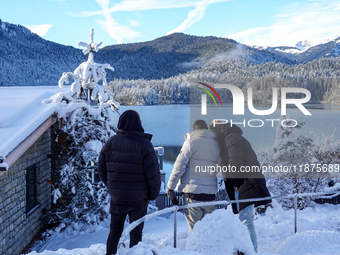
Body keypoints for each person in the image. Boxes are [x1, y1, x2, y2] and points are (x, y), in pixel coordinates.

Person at [97, 110, 161, 255]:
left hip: (117, 198)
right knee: (136, 233)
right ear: (138, 124)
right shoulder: (144, 145)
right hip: (138, 199)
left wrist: (112, 186)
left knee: (114, 232)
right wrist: (152, 195)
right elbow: (153, 175)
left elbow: (100, 169)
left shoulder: (110, 142)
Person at [210, 121, 271, 253]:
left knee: (247, 221)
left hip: (247, 183)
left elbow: (235, 163)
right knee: (244, 220)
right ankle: (249, 249)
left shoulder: (232, 138)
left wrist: (235, 183)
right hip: (245, 183)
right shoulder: (230, 138)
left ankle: (252, 251)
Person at [167, 120, 221, 231]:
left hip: (192, 196)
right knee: (209, 231)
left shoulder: (190, 142)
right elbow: (220, 167)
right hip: (210, 196)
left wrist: (170, 188)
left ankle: (194, 249)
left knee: (195, 232)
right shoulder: (216, 144)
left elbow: (179, 167)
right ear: (206, 129)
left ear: (194, 130)